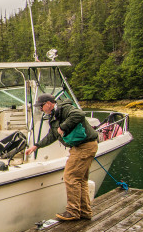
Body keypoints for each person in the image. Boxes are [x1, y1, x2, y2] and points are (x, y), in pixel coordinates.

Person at [25, 93, 99, 221]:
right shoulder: (53, 116)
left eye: (41, 107)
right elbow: (52, 135)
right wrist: (36, 146)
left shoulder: (64, 108)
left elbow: (79, 114)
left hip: (84, 146)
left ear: (48, 104)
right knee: (80, 180)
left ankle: (73, 211)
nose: (40, 109)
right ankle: (85, 211)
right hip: (81, 147)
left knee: (70, 176)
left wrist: (63, 127)